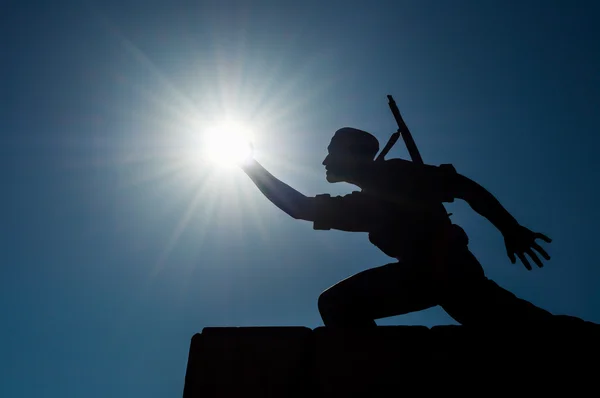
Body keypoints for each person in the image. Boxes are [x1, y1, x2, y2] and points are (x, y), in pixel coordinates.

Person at [241, 127, 557, 328]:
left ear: (352, 154)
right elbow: (300, 207)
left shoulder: (396, 175)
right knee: (526, 327)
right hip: (432, 276)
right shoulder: (364, 203)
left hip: (448, 272)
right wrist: (250, 166)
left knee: (338, 303)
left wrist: (510, 228)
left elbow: (464, 187)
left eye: (332, 149)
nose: (324, 159)